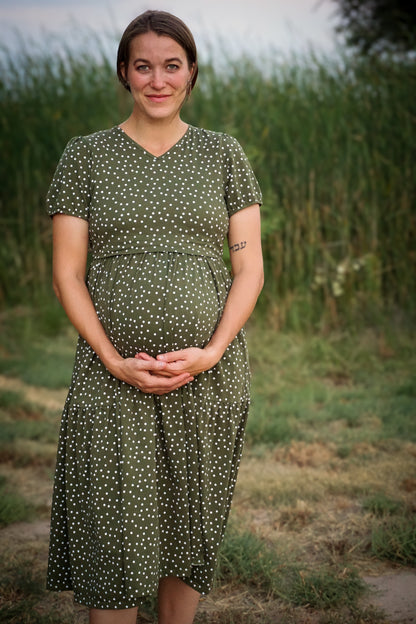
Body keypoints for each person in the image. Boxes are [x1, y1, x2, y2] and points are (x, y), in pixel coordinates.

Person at [46, 9, 263, 624]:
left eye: (172, 66)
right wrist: (114, 359)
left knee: (187, 530)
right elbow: (67, 274)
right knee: (110, 538)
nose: (158, 79)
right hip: (110, 375)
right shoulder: (85, 156)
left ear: (192, 73)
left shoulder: (223, 154)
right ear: (124, 72)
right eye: (144, 66)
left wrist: (212, 351)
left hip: (208, 377)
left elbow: (248, 269)